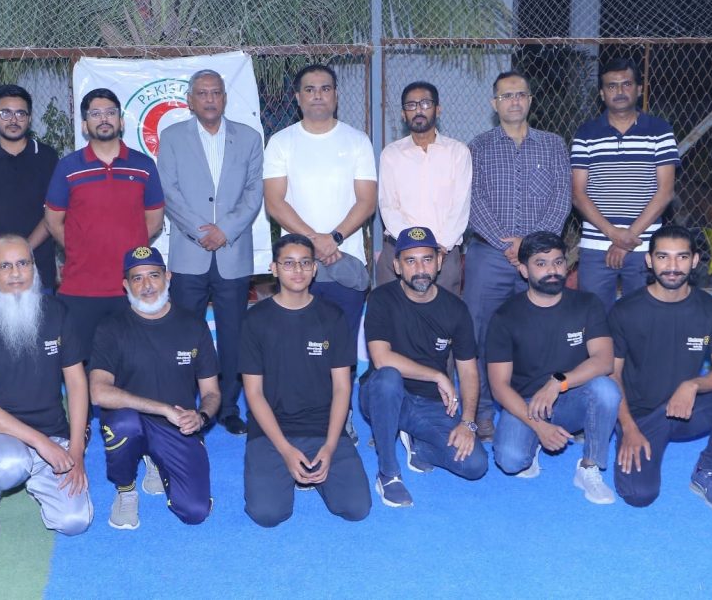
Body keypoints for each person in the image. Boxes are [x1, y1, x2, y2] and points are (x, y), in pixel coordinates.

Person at [0, 235, 92, 540]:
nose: (15, 273)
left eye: (22, 263)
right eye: (5, 266)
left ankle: (36, 474)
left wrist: (76, 451)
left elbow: (77, 384)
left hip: (52, 432)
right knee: (9, 463)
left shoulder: (58, 313)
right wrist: (40, 443)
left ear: (34, 267)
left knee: (74, 521)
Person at [609, 225, 712, 511]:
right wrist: (628, 427)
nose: (672, 266)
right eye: (663, 257)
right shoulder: (625, 310)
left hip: (685, 409)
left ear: (695, 261)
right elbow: (611, 376)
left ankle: (707, 471)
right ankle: (630, 440)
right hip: (641, 416)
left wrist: (693, 385)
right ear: (649, 261)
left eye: (682, 257)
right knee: (639, 495)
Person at [464, 70, 571, 441]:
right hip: (489, 255)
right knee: (479, 333)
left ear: (529, 100)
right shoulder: (477, 146)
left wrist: (530, 248)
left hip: (539, 257)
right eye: (506, 96)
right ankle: (481, 412)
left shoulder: (553, 144)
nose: (514, 101)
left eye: (520, 94)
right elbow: (472, 201)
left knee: (538, 332)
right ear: (494, 104)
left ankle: (536, 405)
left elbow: (562, 199)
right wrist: (507, 246)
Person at [157, 69, 264, 436]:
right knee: (186, 334)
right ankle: (187, 406)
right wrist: (202, 232)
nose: (209, 99)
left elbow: (254, 193)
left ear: (224, 98)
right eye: (202, 93)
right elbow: (169, 192)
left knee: (234, 334)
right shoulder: (171, 138)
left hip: (233, 253)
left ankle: (230, 406)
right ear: (190, 99)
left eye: (216, 92)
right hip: (190, 252)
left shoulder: (249, 138)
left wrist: (226, 231)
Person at [239, 233, 371, 527]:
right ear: (273, 268)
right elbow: (254, 394)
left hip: (322, 428)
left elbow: (341, 388)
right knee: (268, 514)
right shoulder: (254, 320)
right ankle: (289, 467)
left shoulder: (332, 317)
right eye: (288, 263)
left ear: (314, 269)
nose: (297, 271)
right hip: (272, 432)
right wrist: (286, 451)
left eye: (304, 263)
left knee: (355, 508)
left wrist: (330, 446)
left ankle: (318, 471)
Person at [89, 246, 220, 530]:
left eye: (154, 276)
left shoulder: (193, 326)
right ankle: (125, 489)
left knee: (195, 512)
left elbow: (211, 392)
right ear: (126, 286)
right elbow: (98, 392)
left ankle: (154, 457)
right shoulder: (111, 328)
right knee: (124, 424)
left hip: (176, 425)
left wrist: (201, 417)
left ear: (168, 277)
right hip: (132, 419)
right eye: (137, 278)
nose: (147, 285)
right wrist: (163, 409)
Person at [486, 231, 620, 504]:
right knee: (511, 462)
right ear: (523, 270)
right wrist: (538, 427)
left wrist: (558, 382)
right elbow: (499, 387)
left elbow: (604, 360)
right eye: (541, 263)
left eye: (558, 262)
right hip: (526, 404)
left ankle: (588, 467)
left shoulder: (587, 304)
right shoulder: (505, 316)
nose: (552, 270)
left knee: (606, 389)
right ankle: (533, 442)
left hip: (570, 396)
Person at [361, 226, 487, 508]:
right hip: (382, 395)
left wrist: (468, 422)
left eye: (427, 259)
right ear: (396, 266)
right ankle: (388, 473)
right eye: (410, 261)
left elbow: (468, 370)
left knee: (475, 465)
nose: (420, 268)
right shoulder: (381, 300)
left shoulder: (455, 309)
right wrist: (437, 375)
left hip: (428, 403)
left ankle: (418, 445)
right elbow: (381, 359)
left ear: (440, 262)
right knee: (388, 378)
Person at [263, 64, 377, 352]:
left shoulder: (357, 141)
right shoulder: (280, 142)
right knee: (295, 347)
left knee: (340, 347)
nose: (318, 95)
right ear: (298, 98)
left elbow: (367, 200)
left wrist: (334, 239)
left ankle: (339, 399)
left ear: (336, 96)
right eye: (309, 90)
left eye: (325, 89)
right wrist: (314, 242)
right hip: (298, 265)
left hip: (345, 260)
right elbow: (275, 202)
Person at [45, 88, 165, 353]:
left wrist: (129, 251)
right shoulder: (68, 167)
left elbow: (154, 220)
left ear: (121, 121)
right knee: (81, 364)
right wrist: (79, 250)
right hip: (80, 288)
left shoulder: (143, 165)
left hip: (131, 288)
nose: (104, 119)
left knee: (132, 364)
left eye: (110, 113)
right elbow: (53, 221)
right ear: (85, 125)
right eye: (95, 114)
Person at [571, 57, 680, 312]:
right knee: (594, 321)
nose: (619, 91)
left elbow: (665, 192)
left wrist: (625, 239)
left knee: (645, 318)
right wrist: (614, 235)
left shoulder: (659, 130)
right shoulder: (586, 133)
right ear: (601, 93)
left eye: (626, 84)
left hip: (645, 246)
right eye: (611, 86)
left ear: (639, 89)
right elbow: (578, 194)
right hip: (596, 246)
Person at [377, 82, 471, 295]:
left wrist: (439, 247)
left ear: (438, 109)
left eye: (425, 103)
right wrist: (411, 246)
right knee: (394, 321)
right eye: (411, 105)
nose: (418, 110)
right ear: (403, 114)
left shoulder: (457, 152)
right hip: (398, 251)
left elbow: (460, 205)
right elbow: (388, 206)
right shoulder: (391, 154)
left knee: (443, 322)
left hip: (444, 252)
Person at [0, 85, 59, 300]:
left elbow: (51, 216)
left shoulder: (47, 157)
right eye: (5, 113)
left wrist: (22, 256)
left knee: (43, 333)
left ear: (29, 117)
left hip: (38, 271)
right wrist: (2, 257)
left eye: (20, 113)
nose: (13, 120)